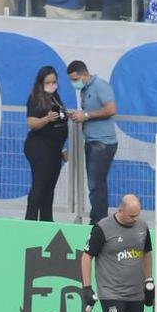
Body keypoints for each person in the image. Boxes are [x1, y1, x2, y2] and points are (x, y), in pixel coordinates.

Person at [66, 60, 118, 226]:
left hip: (103, 143)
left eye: (75, 79)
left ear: (85, 74)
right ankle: (98, 219)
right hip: (92, 141)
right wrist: (79, 115)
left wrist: (86, 115)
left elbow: (111, 109)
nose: (74, 83)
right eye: (71, 80)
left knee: (96, 184)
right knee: (95, 184)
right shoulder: (85, 89)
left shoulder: (100, 86)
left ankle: (98, 222)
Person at [23, 65, 68, 222]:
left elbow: (58, 125)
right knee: (40, 185)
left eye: (54, 82)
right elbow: (31, 123)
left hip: (55, 149)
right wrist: (46, 119)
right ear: (41, 83)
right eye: (48, 83)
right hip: (40, 147)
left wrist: (62, 148)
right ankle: (30, 221)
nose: (51, 85)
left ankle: (46, 221)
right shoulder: (35, 98)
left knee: (49, 187)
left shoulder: (56, 97)